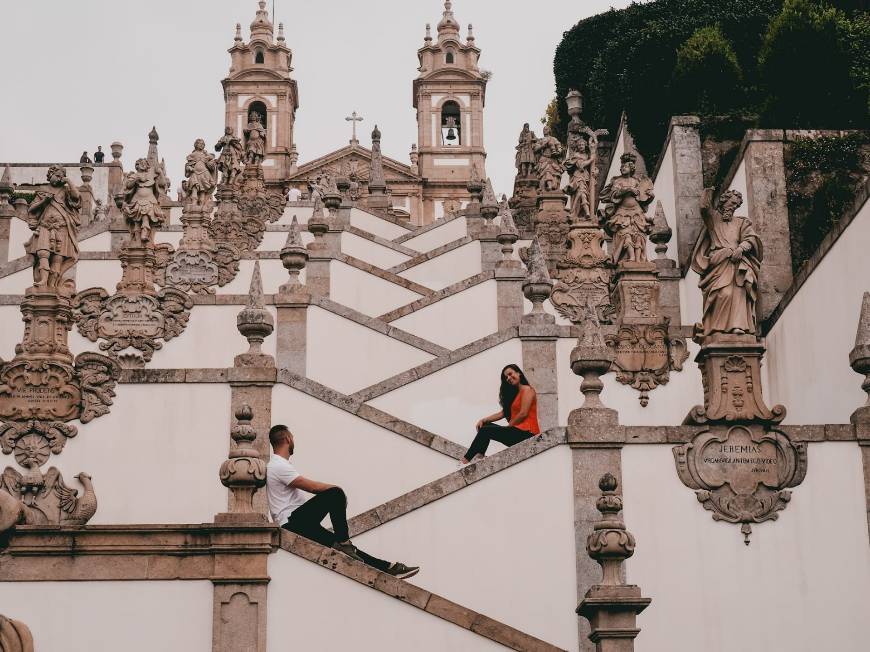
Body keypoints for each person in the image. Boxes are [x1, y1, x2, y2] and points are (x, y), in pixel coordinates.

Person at [267, 425, 420, 579]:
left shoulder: (279, 465)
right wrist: (338, 492)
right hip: (293, 523)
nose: (293, 441)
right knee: (335, 494)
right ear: (287, 439)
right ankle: (344, 542)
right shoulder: (278, 465)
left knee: (345, 549)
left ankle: (387, 568)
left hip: (300, 524)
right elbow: (312, 487)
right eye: (292, 437)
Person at [460, 364, 541, 464]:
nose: (509, 378)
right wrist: (483, 420)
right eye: (506, 377)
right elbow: (503, 413)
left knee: (486, 431)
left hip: (527, 434)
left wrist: (509, 426)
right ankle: (479, 455)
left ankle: (464, 461)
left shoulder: (527, 390)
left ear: (519, 373)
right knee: (484, 426)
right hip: (517, 431)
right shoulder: (516, 394)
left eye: (510, 374)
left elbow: (523, 413)